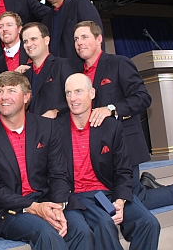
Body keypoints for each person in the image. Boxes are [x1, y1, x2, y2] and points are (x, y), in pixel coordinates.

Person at [73, 20, 173, 210]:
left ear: (99, 39)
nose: (79, 42)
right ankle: (145, 185)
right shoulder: (77, 75)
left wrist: (111, 109)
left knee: (131, 203)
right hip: (96, 151)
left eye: (84, 37)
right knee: (113, 198)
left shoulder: (119, 63)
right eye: (76, 39)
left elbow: (143, 98)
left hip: (125, 146)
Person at [0, 71, 93, 249]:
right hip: (13, 211)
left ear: (26, 97)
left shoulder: (47, 127)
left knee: (82, 231)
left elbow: (59, 173)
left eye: (12, 90)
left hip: (50, 200)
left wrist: (57, 206)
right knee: (47, 234)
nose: (4, 97)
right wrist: (35, 207)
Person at [56, 73, 160, 250]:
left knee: (149, 223)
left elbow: (123, 170)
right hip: (78, 196)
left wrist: (119, 201)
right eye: (68, 93)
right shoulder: (55, 129)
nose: (73, 98)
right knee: (104, 224)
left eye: (79, 91)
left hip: (107, 193)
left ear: (92, 93)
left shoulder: (111, 127)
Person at [40, 0, 104, 68]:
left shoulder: (80, 4)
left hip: (82, 73)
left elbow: (96, 38)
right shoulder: (46, 19)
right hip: (56, 76)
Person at [21, 22, 77, 119]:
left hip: (57, 127)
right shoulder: (25, 74)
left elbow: (77, 96)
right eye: (25, 41)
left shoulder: (62, 65)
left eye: (33, 39)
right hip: (32, 129)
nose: (29, 44)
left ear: (46, 40)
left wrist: (56, 111)